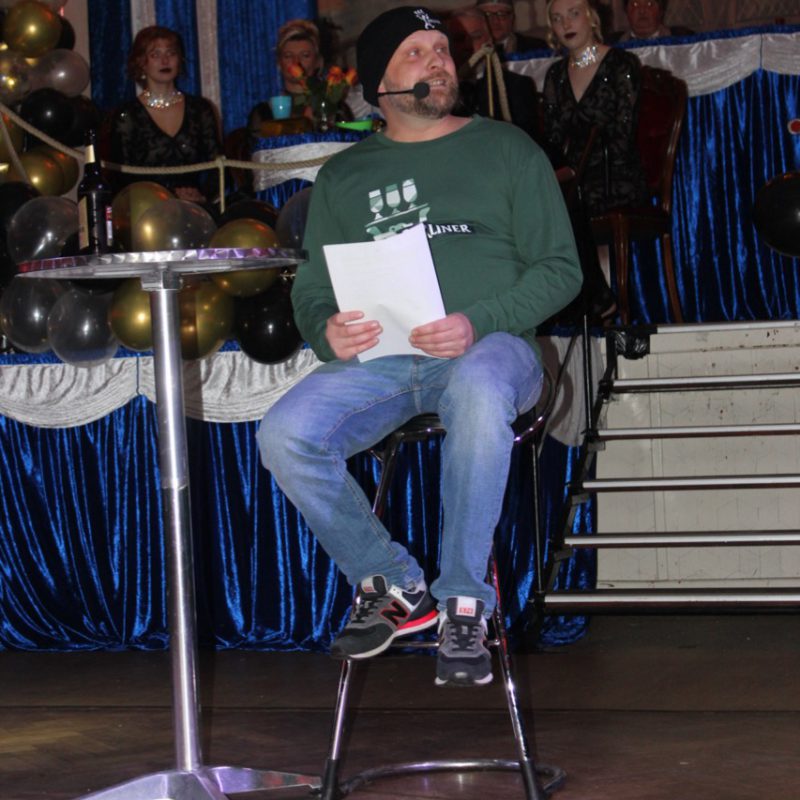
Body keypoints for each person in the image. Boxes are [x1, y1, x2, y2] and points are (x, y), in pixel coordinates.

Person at [256, 6, 581, 688]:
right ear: (380, 83)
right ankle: (392, 583)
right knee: (284, 432)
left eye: (443, 49)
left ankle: (465, 602)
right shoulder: (344, 176)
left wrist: (478, 320)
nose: (439, 60)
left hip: (494, 349)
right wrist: (326, 329)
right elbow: (311, 290)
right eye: (417, 51)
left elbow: (561, 270)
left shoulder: (508, 148)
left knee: (478, 385)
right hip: (386, 361)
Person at [542, 0, 648, 216]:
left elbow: (623, 136)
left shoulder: (621, 64)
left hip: (614, 176)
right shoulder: (555, 74)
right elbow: (554, 139)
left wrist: (575, 171)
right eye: (557, 19)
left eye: (574, 14)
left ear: (591, 17)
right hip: (573, 182)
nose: (566, 24)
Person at [106, 26, 222, 205]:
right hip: (145, 209)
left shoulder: (200, 109)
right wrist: (167, 196)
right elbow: (119, 178)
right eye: (155, 55)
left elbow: (219, 168)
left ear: (179, 60)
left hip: (194, 209)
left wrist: (202, 195)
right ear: (141, 63)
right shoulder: (127, 115)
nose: (165, 60)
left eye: (171, 53)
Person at [447, 7, 542, 142]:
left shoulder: (516, 86)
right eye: (459, 38)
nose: (468, 45)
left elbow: (528, 141)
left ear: (489, 40)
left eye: (476, 37)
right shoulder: (441, 89)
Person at [247, 19, 353, 138]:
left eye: (305, 55)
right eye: (288, 56)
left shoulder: (336, 109)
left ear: (318, 62)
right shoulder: (264, 113)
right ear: (279, 62)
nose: (296, 62)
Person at [476, 0, 548, 56]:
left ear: (512, 18)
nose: (495, 21)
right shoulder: (470, 52)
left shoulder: (538, 49)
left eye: (501, 14)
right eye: (487, 15)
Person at [610, 0, 694, 43]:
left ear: (661, 11)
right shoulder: (613, 45)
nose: (642, 11)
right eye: (635, 4)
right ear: (626, 11)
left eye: (649, 4)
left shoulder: (683, 40)